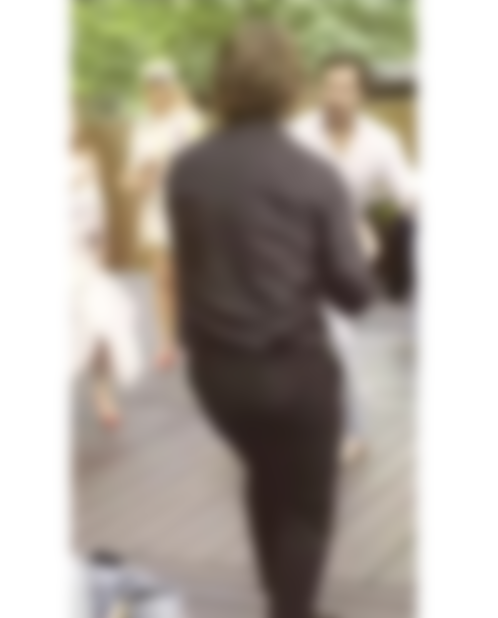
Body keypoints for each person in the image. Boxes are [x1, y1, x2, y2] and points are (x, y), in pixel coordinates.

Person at [167, 24, 376, 618]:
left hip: (217, 379)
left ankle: (281, 601)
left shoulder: (187, 169)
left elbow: (188, 270)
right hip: (295, 376)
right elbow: (354, 295)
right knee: (305, 510)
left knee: (265, 472)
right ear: (291, 84)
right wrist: (364, 246)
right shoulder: (314, 174)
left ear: (223, 82)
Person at [289, 52, 418, 464]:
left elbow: (407, 190)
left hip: (345, 251)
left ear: (362, 94)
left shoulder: (381, 141)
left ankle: (351, 429)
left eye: (345, 88)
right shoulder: (296, 134)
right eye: (329, 87)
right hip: (291, 248)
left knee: (340, 338)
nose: (335, 96)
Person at [125, 59, 204, 371]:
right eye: (152, 85)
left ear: (173, 86)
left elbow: (202, 161)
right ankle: (167, 343)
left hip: (191, 210)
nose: (157, 91)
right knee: (163, 278)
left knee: (192, 278)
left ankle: (196, 336)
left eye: (163, 84)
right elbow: (131, 177)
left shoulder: (190, 120)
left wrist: (170, 165)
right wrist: (140, 180)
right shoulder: (142, 125)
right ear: (145, 89)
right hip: (157, 212)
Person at [70, 122, 142, 431]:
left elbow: (96, 205)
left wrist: (102, 242)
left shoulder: (87, 159)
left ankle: (103, 393)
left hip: (84, 259)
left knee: (103, 326)